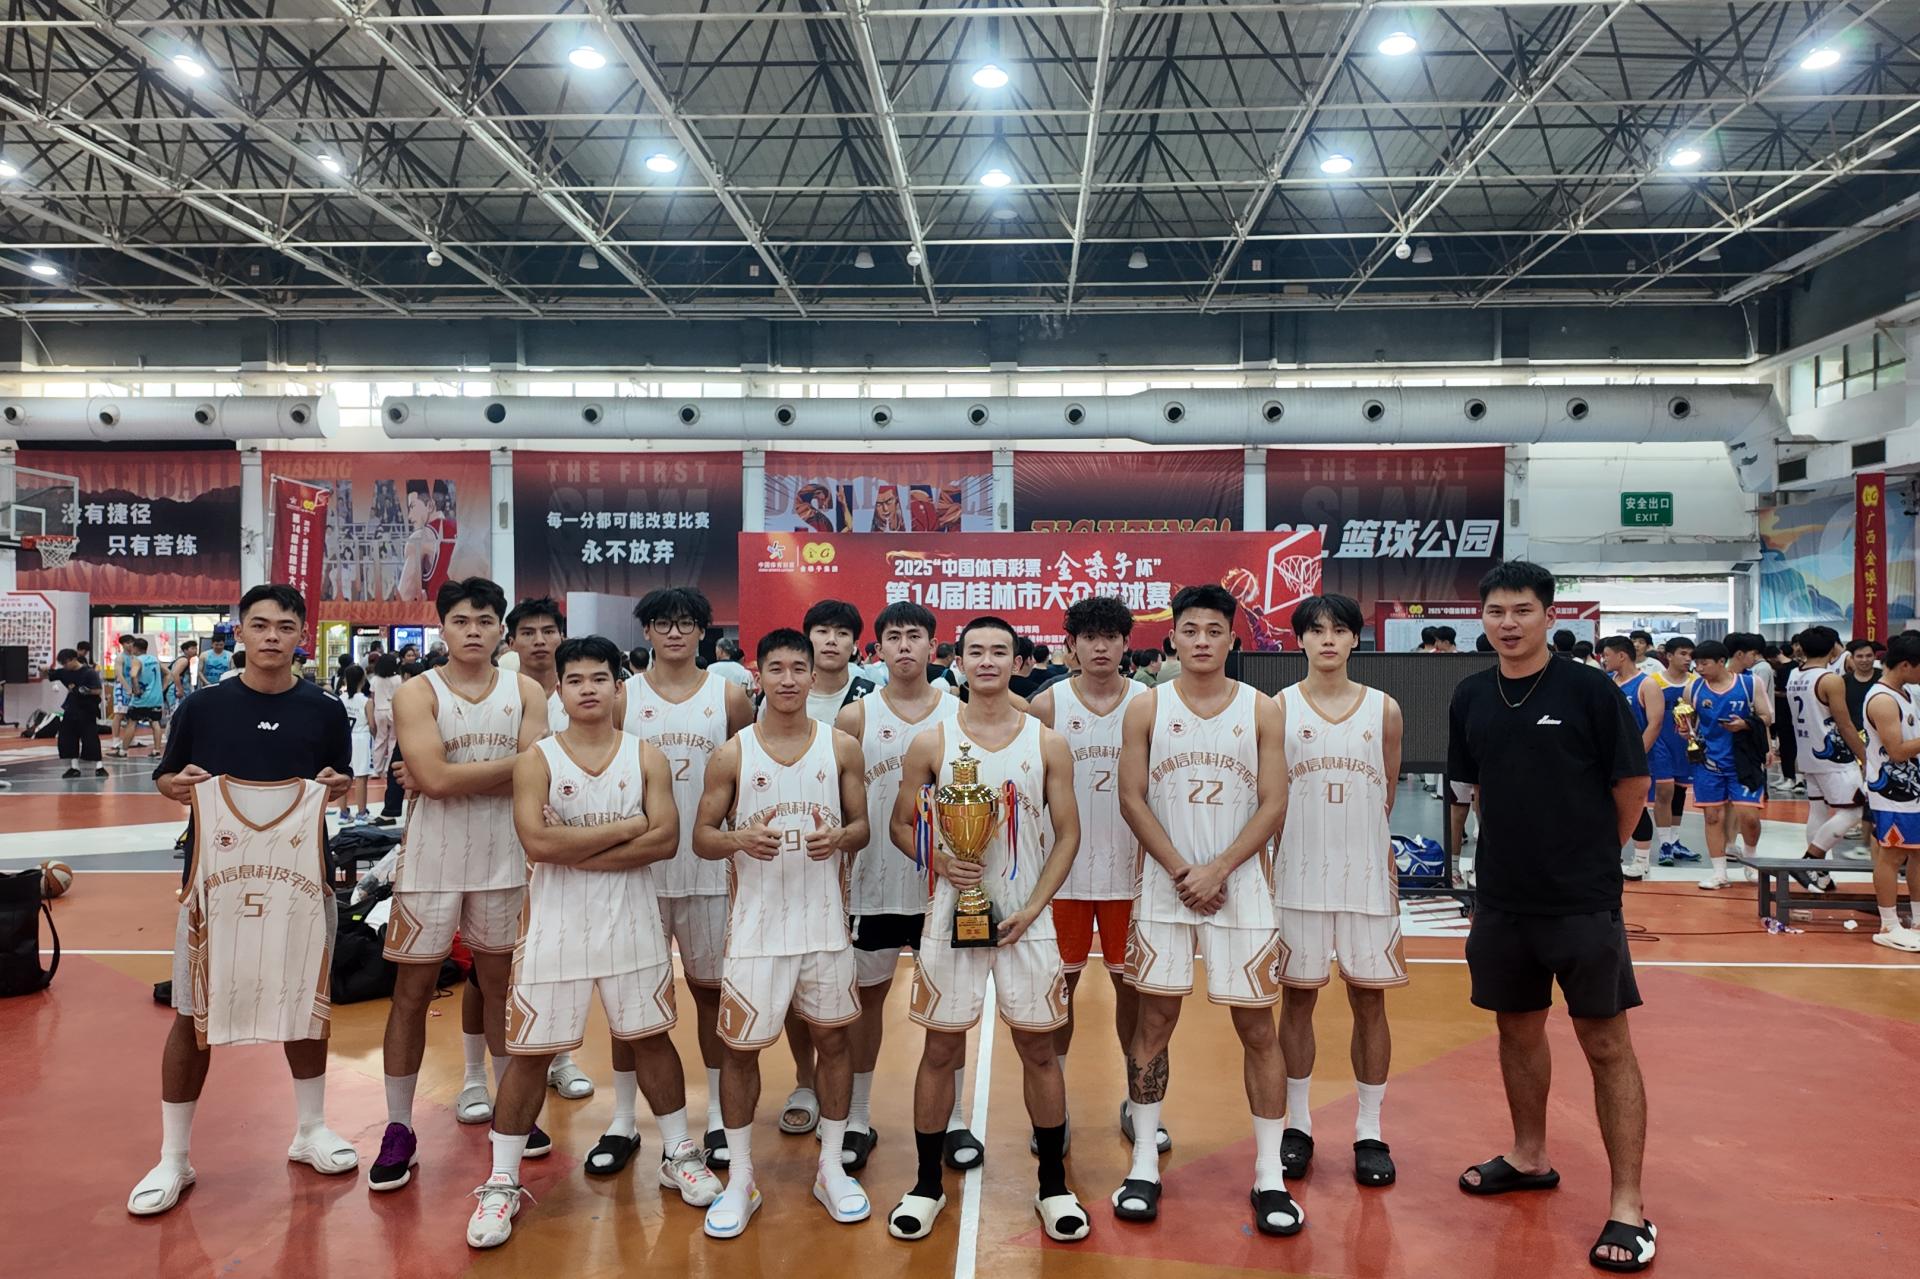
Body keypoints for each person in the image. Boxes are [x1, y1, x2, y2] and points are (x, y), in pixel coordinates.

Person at [467, 636, 718, 1249]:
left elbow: (666, 841)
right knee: (531, 1054)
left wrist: (577, 847)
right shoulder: (537, 760)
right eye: (575, 679)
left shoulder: (646, 755)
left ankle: (678, 1153)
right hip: (555, 926)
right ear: (560, 690)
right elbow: (538, 844)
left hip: (632, 921)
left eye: (599, 678)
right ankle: (501, 1181)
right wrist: (629, 827)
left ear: (617, 687)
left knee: (650, 1038)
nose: (587, 689)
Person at [1450, 560, 1655, 1273]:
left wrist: (1594, 859)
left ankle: (1628, 1205)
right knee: (1516, 1030)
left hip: (1581, 901)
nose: (1508, 623)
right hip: (1503, 900)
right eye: (1496, 611)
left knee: (1606, 1043)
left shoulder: (1590, 690)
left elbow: (1632, 784)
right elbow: (1476, 787)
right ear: (1483, 618)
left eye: (1522, 610)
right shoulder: (1471, 695)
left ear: (1549, 615)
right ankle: (1528, 1155)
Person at [130, 584, 357, 1216]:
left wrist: (338, 785)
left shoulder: (325, 710)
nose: (272, 636)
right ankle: (174, 1156)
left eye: (285, 626)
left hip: (301, 876)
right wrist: (174, 786)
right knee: (191, 1011)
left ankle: (310, 1128)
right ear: (241, 631)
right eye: (260, 625)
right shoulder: (202, 706)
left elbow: (338, 777)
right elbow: (167, 776)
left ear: (302, 634)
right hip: (214, 880)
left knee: (306, 1003)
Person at [884, 615, 1088, 1245]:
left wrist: (1036, 905)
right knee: (940, 1050)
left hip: (1028, 920)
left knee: (1039, 1050)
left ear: (1017, 661)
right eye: (977, 651)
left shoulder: (1047, 743)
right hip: (953, 914)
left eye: (1001, 651)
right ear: (960, 660)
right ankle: (926, 1185)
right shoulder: (932, 742)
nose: (988, 661)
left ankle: (1053, 1187)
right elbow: (900, 825)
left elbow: (1068, 834)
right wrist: (940, 860)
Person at [1113, 585, 1298, 1237]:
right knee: (1154, 1021)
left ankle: (1270, 1174)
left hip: (1241, 886)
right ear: (1173, 638)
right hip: (1166, 886)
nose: (1200, 640)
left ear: (1231, 640)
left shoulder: (1261, 709)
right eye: (1189, 629)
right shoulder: (1147, 707)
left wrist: (1218, 868)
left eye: (1213, 630)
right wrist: (1181, 870)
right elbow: (1130, 797)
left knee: (1258, 1029)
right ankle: (1143, 1161)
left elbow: (1274, 800)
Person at [691, 628, 871, 1237]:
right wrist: (738, 839)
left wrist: (841, 837)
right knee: (740, 1051)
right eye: (777, 668)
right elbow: (702, 838)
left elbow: (863, 827)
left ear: (814, 675)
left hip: (824, 926)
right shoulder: (732, 753)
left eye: (799, 668)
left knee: (835, 1042)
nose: (789, 679)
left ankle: (831, 1167)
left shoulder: (841, 747)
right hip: (755, 930)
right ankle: (740, 1178)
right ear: (758, 675)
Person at [372, 577, 549, 1193]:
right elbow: (436, 780)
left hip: (504, 855)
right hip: (431, 859)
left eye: (485, 620)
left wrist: (446, 773)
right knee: (412, 991)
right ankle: (398, 1126)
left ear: (501, 629)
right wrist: (517, 766)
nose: (474, 631)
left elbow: (509, 775)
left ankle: (511, 1110)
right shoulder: (417, 692)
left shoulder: (525, 690)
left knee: (500, 988)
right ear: (442, 627)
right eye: (461, 620)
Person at [832, 602, 970, 1174]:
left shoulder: (961, 713)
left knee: (951, 1001)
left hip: (947, 887)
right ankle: (857, 1116)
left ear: (933, 645)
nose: (905, 646)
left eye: (915, 636)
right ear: (879, 648)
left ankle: (954, 1119)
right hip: (875, 886)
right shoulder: (854, 718)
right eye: (894, 637)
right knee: (866, 1002)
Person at [1273, 593, 1405, 1188]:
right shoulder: (1277, 709)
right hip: (1296, 877)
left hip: (1365, 878)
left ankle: (1369, 1130)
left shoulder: (1384, 710)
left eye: (1339, 630)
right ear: (1300, 639)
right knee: (1297, 1001)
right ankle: (1297, 1125)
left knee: (1370, 1002)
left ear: (1355, 639)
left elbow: (1387, 790)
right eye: (1316, 630)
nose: (1327, 639)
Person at [624, 587, 756, 1164]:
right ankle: (621, 1120)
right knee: (631, 999)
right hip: (638, 872)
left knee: (710, 994)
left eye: (685, 623)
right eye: (663, 623)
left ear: (703, 630)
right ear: (647, 632)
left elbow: (746, 776)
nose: (674, 633)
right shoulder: (623, 697)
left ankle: (720, 1117)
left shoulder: (728, 697)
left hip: (708, 871)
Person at [1028, 596, 1160, 1154]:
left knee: (1136, 992)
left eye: (1110, 637)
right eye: (1089, 637)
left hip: (1133, 877)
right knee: (1058, 992)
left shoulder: (1150, 705)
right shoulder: (1046, 706)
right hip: (1063, 879)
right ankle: (1053, 1112)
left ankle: (1138, 1105)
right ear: (1072, 646)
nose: (1100, 647)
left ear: (1126, 643)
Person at [488, 596, 596, 1104]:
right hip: (503, 840)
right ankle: (477, 1075)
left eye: (548, 631)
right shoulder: (502, 692)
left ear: (561, 637)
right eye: (527, 633)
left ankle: (562, 1059)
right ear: (511, 641)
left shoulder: (582, 690)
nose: (538, 641)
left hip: (572, 846)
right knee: (492, 965)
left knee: (562, 952)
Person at [1785, 626, 1865, 891]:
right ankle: (1810, 861)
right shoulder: (1829, 679)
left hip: (1807, 752)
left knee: (1818, 810)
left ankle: (1821, 875)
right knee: (1854, 811)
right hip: (1833, 755)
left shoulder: (1794, 674)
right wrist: (1865, 757)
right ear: (1833, 649)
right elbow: (1845, 724)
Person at [1681, 641, 1766, 891]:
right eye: (1696, 664)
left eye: (1704, 663)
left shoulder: (1749, 684)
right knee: (1712, 816)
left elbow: (1766, 716)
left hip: (1743, 761)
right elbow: (1688, 720)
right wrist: (1685, 731)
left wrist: (1745, 724)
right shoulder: (1694, 688)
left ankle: (1751, 860)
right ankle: (1719, 873)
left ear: (1721, 662)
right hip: (1708, 761)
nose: (1699, 668)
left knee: (1749, 817)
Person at [1860, 631, 1920, 952]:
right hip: (1893, 792)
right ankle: (1888, 924)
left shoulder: (1908, 691)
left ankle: (1918, 920)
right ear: (1906, 665)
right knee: (1892, 855)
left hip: (1914, 787)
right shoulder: (1883, 699)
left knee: (1918, 853)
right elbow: (1896, 751)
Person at [1600, 637, 1665, 880]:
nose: (1603, 660)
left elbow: (1655, 724)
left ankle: (1641, 860)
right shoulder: (1607, 682)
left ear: (1622, 656)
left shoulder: (1647, 684)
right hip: (1610, 757)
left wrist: (1635, 756)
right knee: (1607, 807)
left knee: (1637, 807)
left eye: (1606, 655)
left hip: (1637, 758)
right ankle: (1611, 855)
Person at [1647, 638, 1698, 866]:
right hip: (1661, 743)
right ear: (1668, 656)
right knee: (1663, 791)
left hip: (1686, 745)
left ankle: (1675, 840)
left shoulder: (1696, 682)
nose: (1688, 659)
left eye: (1690, 654)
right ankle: (1664, 843)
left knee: (1679, 793)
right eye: (1683, 653)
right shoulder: (1653, 681)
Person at [44, 648, 106, 778]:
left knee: (90, 738)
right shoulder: (64, 672)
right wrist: (43, 669)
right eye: (62, 664)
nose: (64, 666)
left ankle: (99, 767)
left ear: (73, 659)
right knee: (68, 738)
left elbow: (98, 690)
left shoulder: (89, 673)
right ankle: (74, 767)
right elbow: (49, 675)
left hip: (87, 709)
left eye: (66, 663)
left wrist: (86, 691)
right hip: (71, 708)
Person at [398, 479, 457, 603]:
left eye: (412, 507)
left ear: (430, 505)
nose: (409, 516)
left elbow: (404, 598)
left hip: (435, 612)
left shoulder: (419, 538)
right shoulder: (460, 530)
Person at [338, 663, 373, 824]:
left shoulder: (340, 699)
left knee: (343, 775)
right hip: (361, 737)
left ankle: (343, 813)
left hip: (344, 737)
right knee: (361, 777)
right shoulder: (366, 701)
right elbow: (372, 725)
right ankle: (361, 813)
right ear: (362, 680)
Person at [122, 637, 166, 757]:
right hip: (156, 698)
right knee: (155, 723)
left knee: (132, 722)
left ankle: (123, 751)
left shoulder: (137, 660)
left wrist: (136, 690)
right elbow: (168, 674)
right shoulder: (154, 659)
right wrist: (161, 689)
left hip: (142, 698)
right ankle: (157, 750)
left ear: (135, 648)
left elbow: (133, 675)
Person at [1844, 638, 1883, 742]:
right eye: (1859, 656)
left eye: (1869, 656)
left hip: (1881, 734)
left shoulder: (1884, 677)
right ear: (1852, 658)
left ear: (1875, 657)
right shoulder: (1843, 681)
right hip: (1853, 737)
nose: (1864, 660)